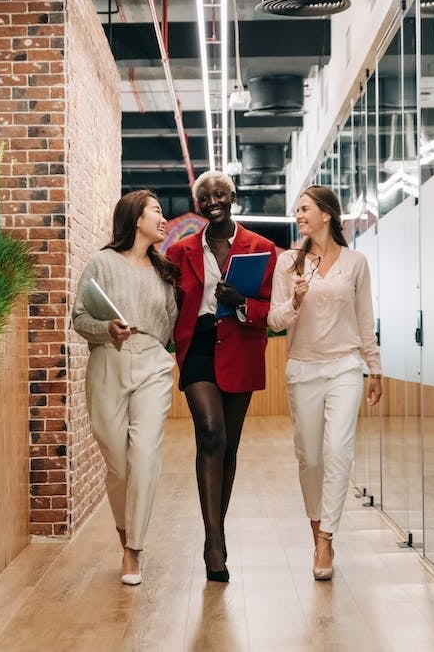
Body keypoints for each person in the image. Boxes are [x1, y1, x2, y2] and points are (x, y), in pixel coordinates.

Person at [167, 171, 277, 583]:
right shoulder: (180, 251)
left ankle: (219, 526)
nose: (213, 201)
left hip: (242, 345)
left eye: (220, 194)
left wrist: (242, 301)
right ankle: (213, 542)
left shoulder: (261, 249)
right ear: (197, 205)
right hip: (198, 343)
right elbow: (167, 296)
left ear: (233, 197)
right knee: (210, 433)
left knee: (228, 444)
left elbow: (271, 309)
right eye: (205, 197)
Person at [268, 185, 382, 581]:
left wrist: (375, 367)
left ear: (326, 215)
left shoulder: (356, 262)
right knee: (311, 458)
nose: (298, 215)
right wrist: (295, 302)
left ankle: (327, 538)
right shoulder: (288, 263)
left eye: (304, 209)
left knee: (337, 449)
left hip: (345, 368)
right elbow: (273, 321)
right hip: (303, 369)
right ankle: (316, 526)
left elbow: (365, 319)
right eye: (297, 210)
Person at [70, 190, 179, 586]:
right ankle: (124, 533)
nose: (164, 219)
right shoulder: (101, 262)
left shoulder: (164, 272)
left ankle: (134, 549)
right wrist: (106, 330)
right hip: (108, 362)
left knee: (145, 454)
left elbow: (169, 323)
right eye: (158, 211)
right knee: (118, 462)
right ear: (136, 218)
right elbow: (79, 317)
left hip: (152, 362)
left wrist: (151, 345)